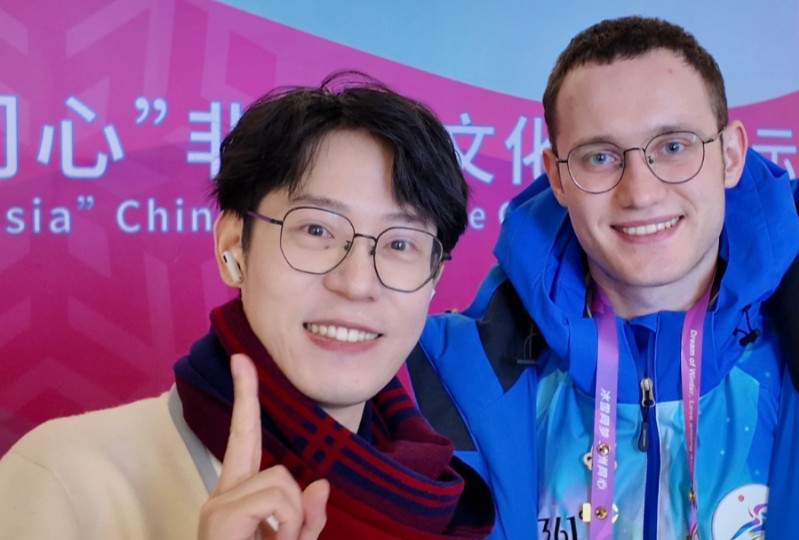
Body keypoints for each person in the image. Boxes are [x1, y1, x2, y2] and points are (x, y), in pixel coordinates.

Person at [409, 16, 799, 539]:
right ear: (558, 176)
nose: (641, 193)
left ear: (731, 154)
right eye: (600, 157)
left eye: (673, 147)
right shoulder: (453, 383)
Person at [0, 73, 494, 539]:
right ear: (233, 246)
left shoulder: (433, 496)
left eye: (400, 243)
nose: (357, 282)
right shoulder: (67, 479)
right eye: (317, 230)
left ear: (433, 279)